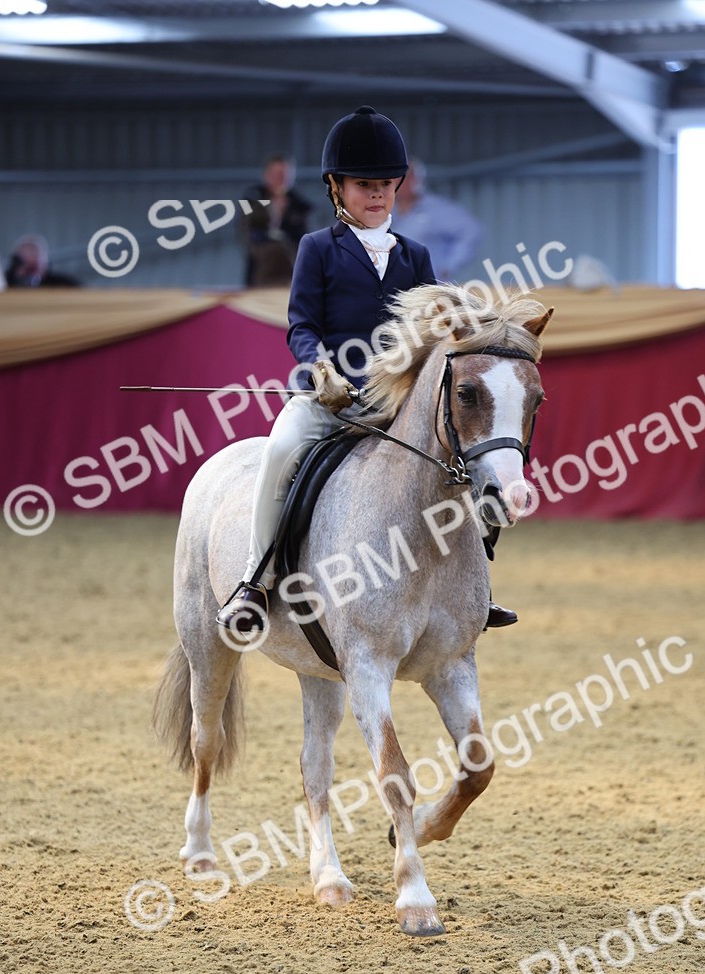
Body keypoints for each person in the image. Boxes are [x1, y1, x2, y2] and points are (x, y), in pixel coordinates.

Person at [217, 105, 517, 635]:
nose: (377, 194)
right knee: (281, 452)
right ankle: (253, 582)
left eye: (385, 183)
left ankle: (473, 590)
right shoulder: (316, 249)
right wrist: (318, 365)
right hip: (330, 399)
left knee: (463, 462)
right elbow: (301, 325)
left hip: (397, 406)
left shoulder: (416, 256)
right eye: (363, 184)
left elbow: (437, 330)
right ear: (336, 187)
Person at [393, 159, 483, 281]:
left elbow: (471, 231)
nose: (398, 183)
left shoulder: (437, 209)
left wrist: (449, 266)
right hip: (394, 286)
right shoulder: (385, 209)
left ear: (416, 181)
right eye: (394, 178)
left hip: (428, 287)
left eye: (404, 178)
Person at [242, 155, 312, 288]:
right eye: (276, 174)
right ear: (266, 175)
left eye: (284, 175)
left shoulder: (300, 206)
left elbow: (303, 240)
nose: (280, 180)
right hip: (260, 271)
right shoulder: (253, 199)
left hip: (290, 273)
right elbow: (247, 233)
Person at [4, 234, 80, 288]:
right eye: (24, 257)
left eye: (33, 253)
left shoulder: (62, 284)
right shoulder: (3, 283)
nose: (29, 260)